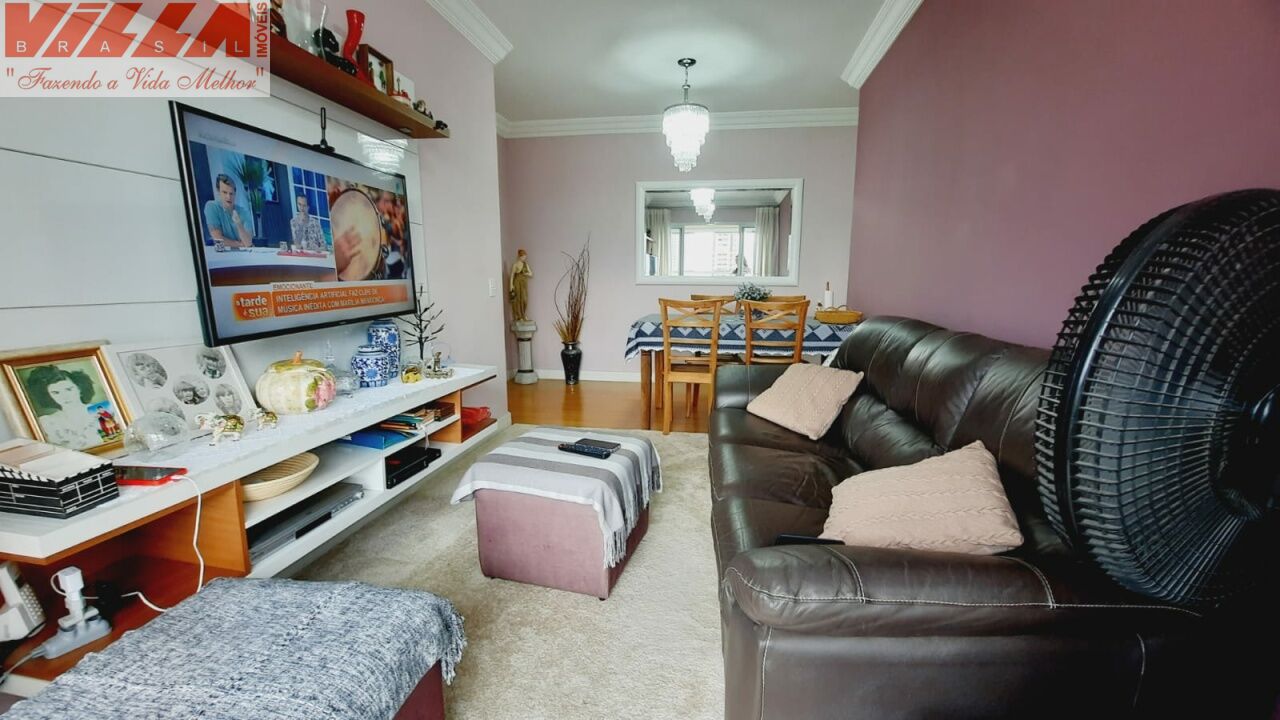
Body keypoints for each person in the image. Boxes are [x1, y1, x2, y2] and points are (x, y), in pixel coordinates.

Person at [24, 365, 107, 450]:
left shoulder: (103, 411)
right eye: (56, 393)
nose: (64, 397)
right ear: (49, 396)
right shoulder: (47, 423)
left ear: (80, 388)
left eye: (69, 389)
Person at [204, 173, 254, 248]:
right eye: (224, 192)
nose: (228, 197)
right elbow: (217, 239)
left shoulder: (244, 212)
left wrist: (239, 224)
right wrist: (240, 245)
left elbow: (248, 243)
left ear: (235, 194)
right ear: (218, 192)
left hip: (243, 253)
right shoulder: (211, 207)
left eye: (231, 193)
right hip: (223, 252)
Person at [509, 249, 532, 322]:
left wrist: (526, 273)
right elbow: (512, 275)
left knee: (524, 299)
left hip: (524, 284)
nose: (524, 258)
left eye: (525, 256)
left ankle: (523, 314)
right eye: (523, 256)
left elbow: (531, 274)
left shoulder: (526, 264)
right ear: (519, 256)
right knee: (518, 299)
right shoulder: (515, 265)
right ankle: (519, 316)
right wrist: (511, 285)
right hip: (517, 283)